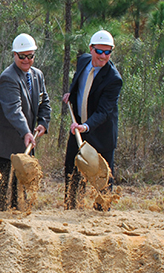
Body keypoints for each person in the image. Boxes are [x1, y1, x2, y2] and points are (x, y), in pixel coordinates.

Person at [0, 33, 51, 211]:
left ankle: (17, 225)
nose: (27, 60)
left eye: (30, 56)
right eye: (22, 56)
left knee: (20, 192)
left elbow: (44, 102)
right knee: (0, 193)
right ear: (14, 54)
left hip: (23, 144)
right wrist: (26, 132)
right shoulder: (8, 77)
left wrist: (44, 122)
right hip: (1, 144)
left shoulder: (38, 75)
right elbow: (14, 110)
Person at [62, 30, 122, 210]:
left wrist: (86, 126)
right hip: (78, 127)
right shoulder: (83, 61)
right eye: (99, 51)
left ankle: (101, 215)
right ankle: (72, 209)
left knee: (102, 179)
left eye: (108, 52)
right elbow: (80, 85)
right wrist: (70, 95)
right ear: (91, 49)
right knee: (72, 172)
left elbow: (104, 111)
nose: (103, 57)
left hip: (100, 133)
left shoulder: (114, 79)